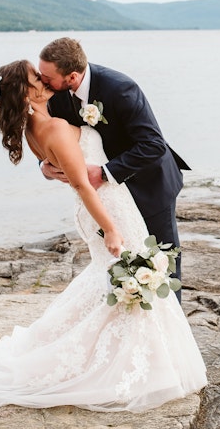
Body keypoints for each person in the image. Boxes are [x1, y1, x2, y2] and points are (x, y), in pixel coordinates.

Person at [0, 60, 206, 412]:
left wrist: (49, 165)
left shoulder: (37, 125)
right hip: (106, 207)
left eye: (44, 75)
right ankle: (141, 361)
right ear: (27, 94)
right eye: (37, 79)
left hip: (115, 198)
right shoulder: (54, 125)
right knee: (129, 273)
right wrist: (111, 228)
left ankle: (153, 354)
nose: (44, 81)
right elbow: (81, 183)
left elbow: (81, 156)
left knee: (115, 276)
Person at [37, 37, 190, 300]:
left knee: (162, 261)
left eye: (47, 77)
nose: (41, 81)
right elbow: (49, 136)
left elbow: (153, 145)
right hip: (109, 196)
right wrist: (44, 166)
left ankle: (173, 324)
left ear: (72, 77)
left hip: (149, 184)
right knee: (121, 261)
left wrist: (105, 172)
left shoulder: (120, 88)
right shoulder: (56, 95)